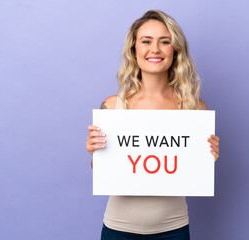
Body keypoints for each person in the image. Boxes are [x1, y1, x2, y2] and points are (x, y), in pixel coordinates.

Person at [85, 10, 220, 240]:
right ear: (134, 49)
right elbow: (106, 170)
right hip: (119, 229)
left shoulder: (195, 108)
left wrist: (209, 157)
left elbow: (191, 170)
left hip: (174, 230)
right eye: (146, 41)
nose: (155, 49)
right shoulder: (112, 106)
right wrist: (95, 154)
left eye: (164, 42)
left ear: (175, 50)